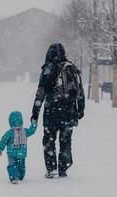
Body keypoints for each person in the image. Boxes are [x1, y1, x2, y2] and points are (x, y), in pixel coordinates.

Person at [31, 43, 85, 178]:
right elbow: (80, 90)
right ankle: (63, 167)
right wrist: (80, 108)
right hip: (69, 112)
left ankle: (51, 168)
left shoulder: (48, 69)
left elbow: (40, 94)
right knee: (66, 140)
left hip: (52, 112)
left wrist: (35, 114)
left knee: (49, 140)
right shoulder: (70, 67)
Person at [0, 111, 37, 184]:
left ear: (10, 121)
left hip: (12, 153)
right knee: (20, 166)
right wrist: (34, 123)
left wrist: (0, 148)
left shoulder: (10, 132)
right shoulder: (24, 131)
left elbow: (4, 140)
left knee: (13, 165)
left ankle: (16, 177)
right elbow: (32, 131)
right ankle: (17, 176)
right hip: (21, 153)